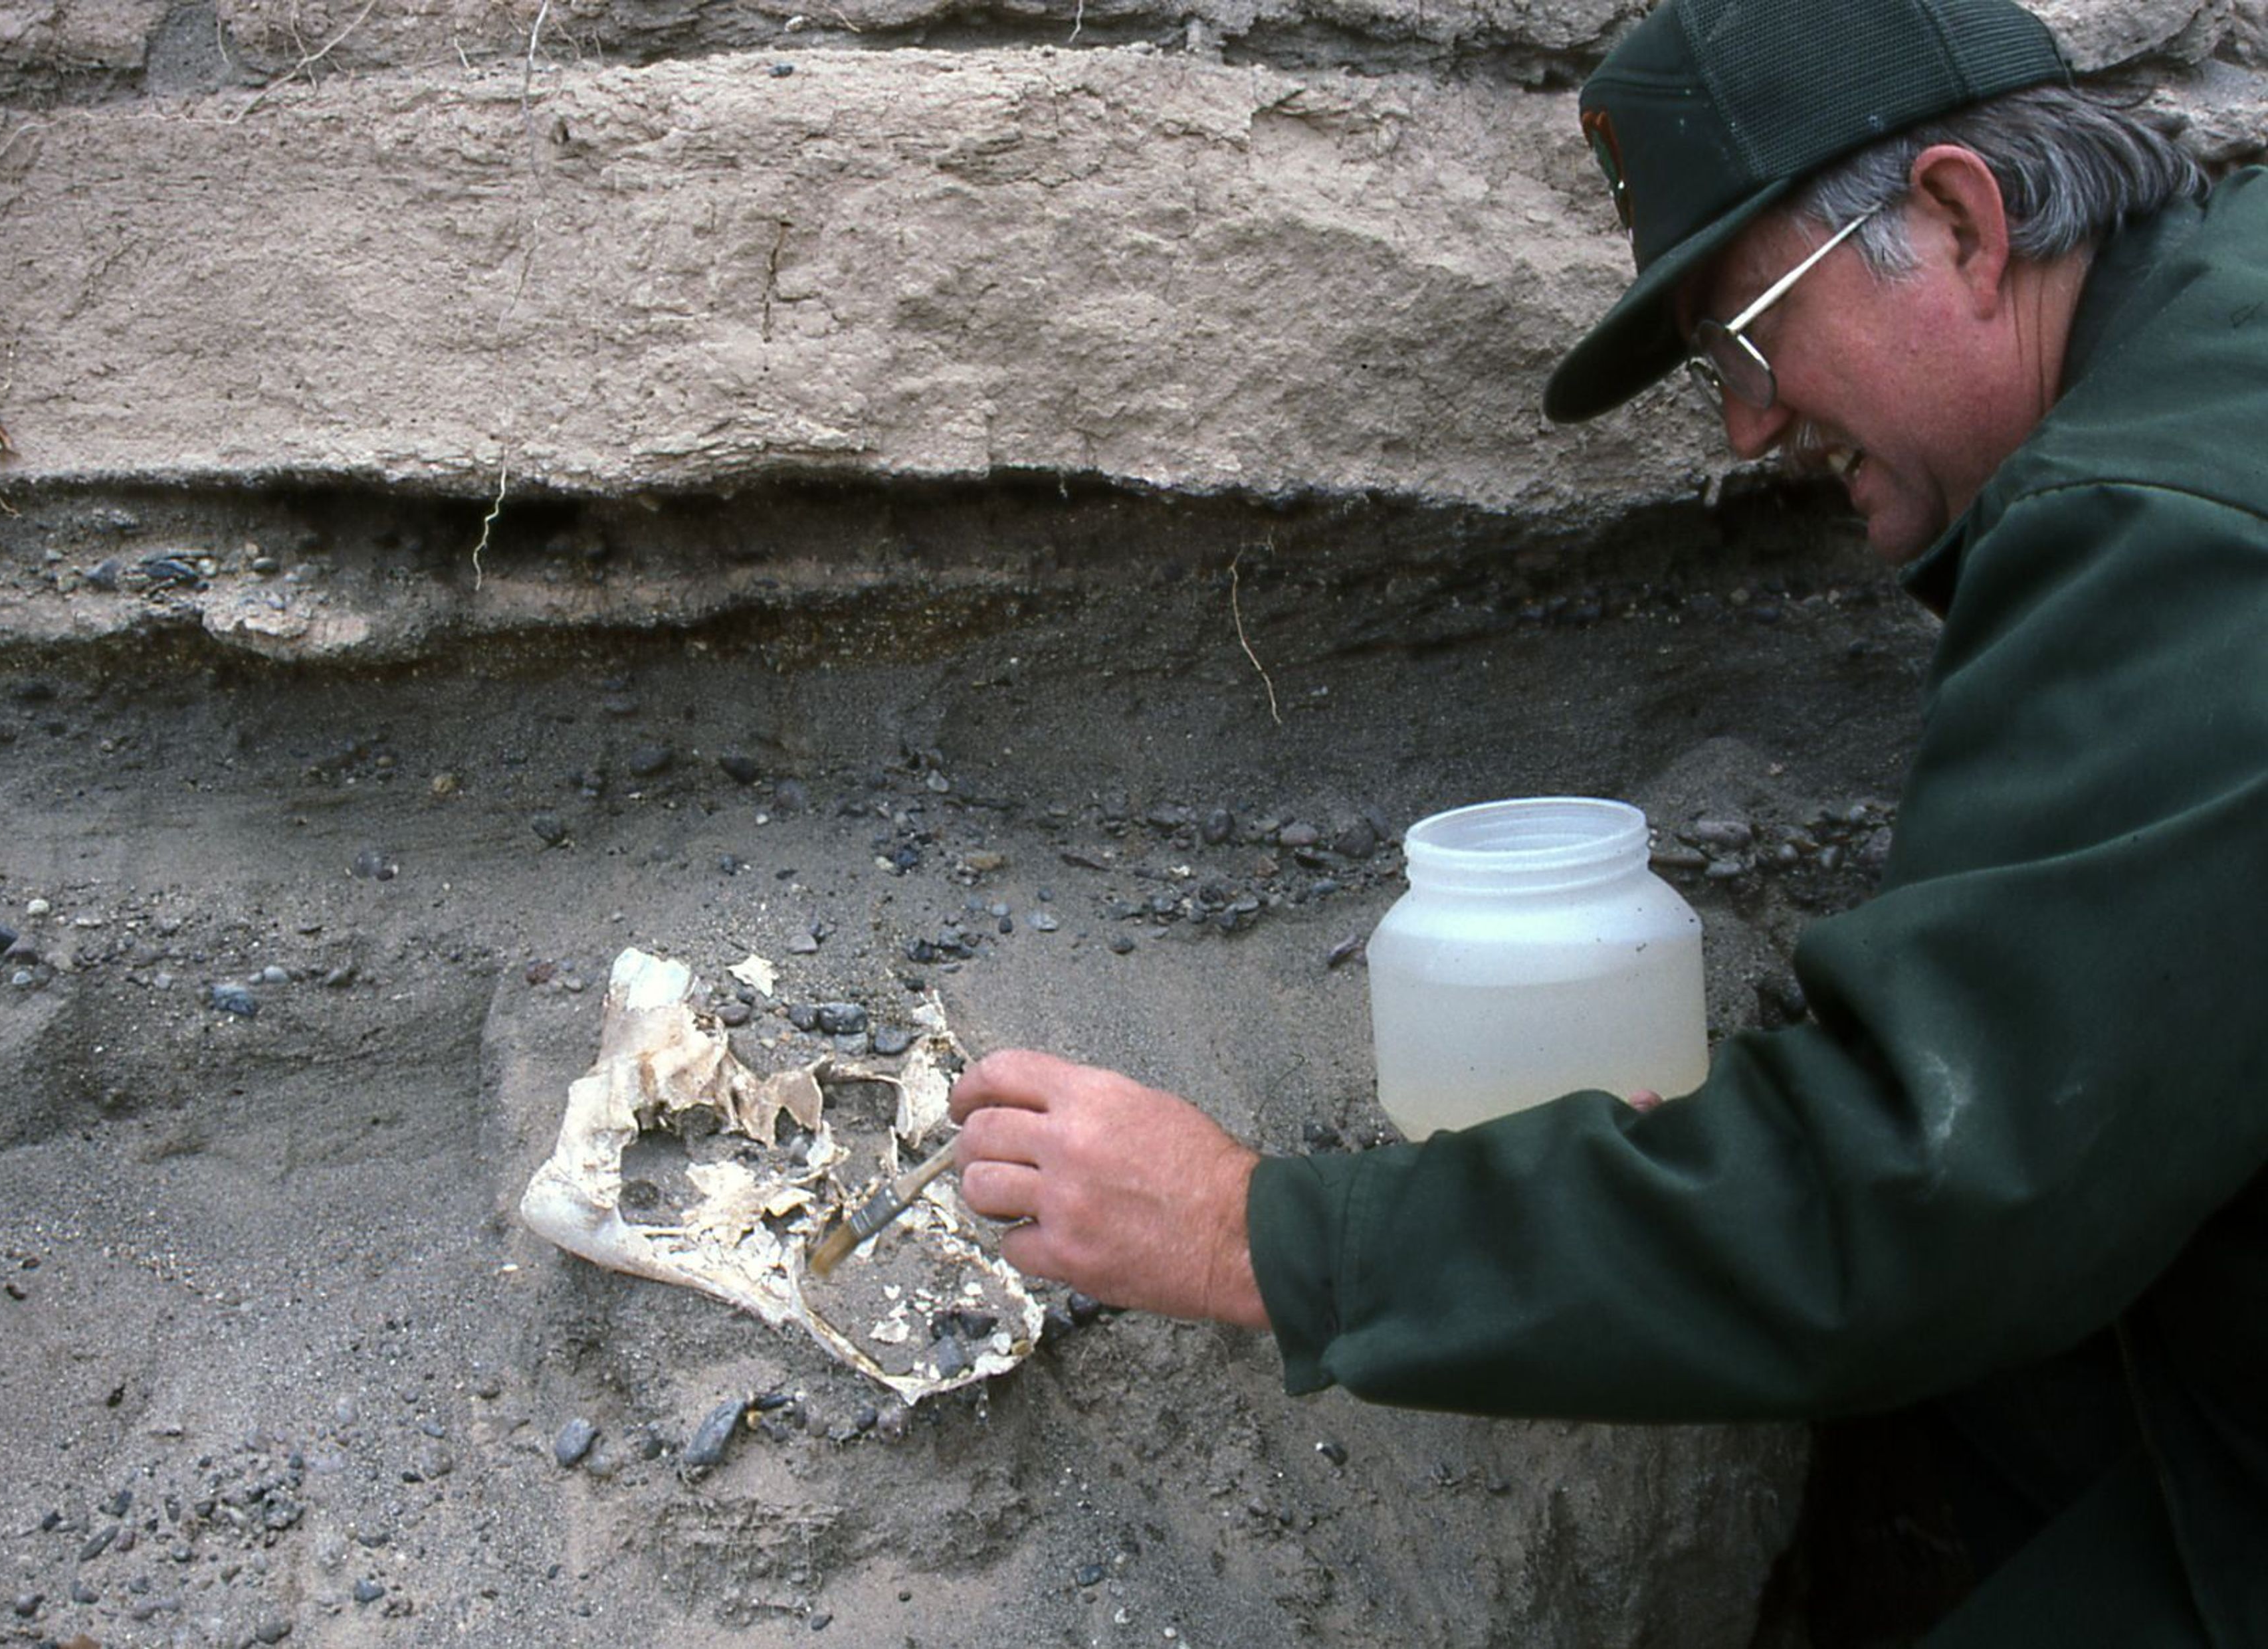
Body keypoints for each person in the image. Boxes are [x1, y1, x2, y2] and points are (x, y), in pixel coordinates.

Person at [948, 0, 2268, 1640]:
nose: (1747, 424)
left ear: (1959, 221)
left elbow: (1918, 1187)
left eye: (1749, 334)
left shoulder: (2177, 534)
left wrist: (1259, 1233)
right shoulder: (2225, 329)